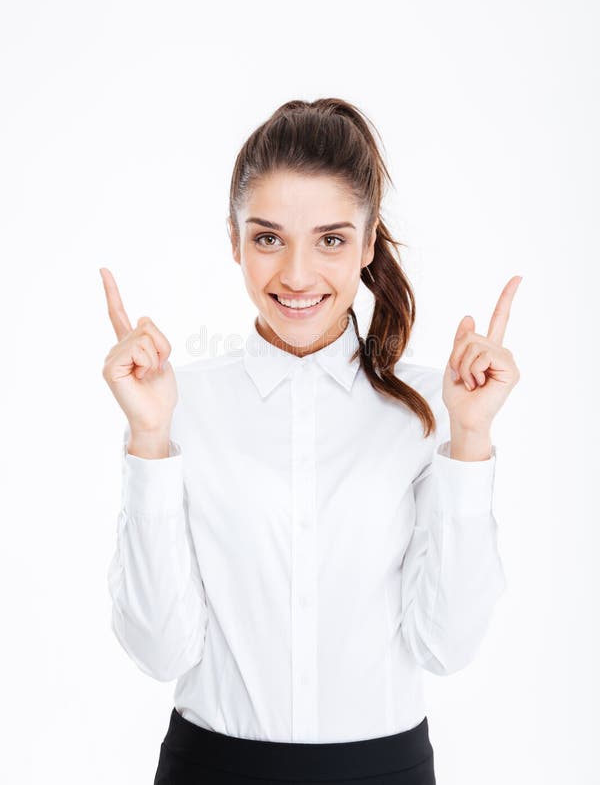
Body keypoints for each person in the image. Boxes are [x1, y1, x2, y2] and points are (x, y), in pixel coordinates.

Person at [101, 97, 521, 785]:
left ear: (367, 241)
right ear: (234, 240)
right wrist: (149, 438)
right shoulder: (178, 404)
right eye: (268, 238)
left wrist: (470, 438)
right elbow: (158, 650)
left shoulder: (433, 409)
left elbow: (446, 647)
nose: (296, 276)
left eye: (330, 239)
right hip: (211, 768)